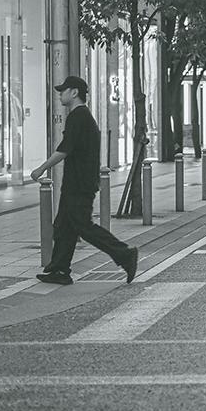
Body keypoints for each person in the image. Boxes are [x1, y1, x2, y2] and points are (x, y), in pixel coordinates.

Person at [29, 76, 138, 285]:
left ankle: (125, 254)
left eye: (63, 91)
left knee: (83, 226)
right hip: (77, 182)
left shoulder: (78, 117)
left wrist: (41, 168)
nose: (60, 94)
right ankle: (59, 270)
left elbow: (64, 149)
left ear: (74, 92)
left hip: (79, 184)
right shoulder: (82, 116)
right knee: (64, 226)